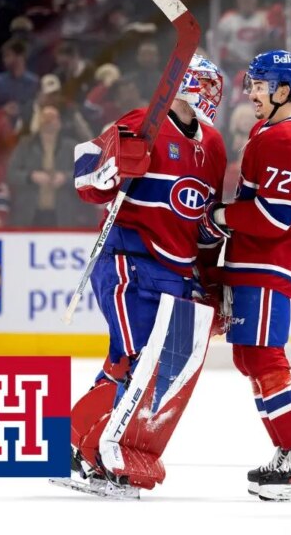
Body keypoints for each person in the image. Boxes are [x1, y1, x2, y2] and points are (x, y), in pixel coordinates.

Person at [63, 54, 228, 497]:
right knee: (142, 359)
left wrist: (211, 277)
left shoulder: (214, 145)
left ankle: (79, 438)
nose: (214, 93)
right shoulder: (142, 121)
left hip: (177, 272)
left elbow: (198, 220)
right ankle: (104, 455)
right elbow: (85, 176)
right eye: (206, 83)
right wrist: (112, 168)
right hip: (128, 259)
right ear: (183, 84)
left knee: (131, 362)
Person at [199, 50, 291, 502]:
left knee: (266, 357)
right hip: (260, 262)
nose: (251, 92)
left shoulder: (284, 140)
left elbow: (273, 218)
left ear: (283, 90)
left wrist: (218, 215)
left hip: (271, 263)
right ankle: (288, 451)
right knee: (250, 357)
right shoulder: (271, 132)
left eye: (259, 85)